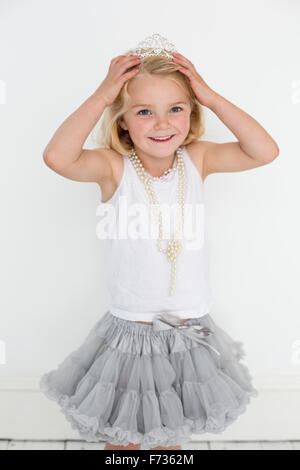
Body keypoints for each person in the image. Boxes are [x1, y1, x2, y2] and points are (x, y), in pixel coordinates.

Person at [39, 33, 279, 450]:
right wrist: (101, 95)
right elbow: (57, 158)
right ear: (123, 121)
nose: (163, 122)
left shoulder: (198, 158)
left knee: (171, 439)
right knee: (126, 440)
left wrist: (210, 95)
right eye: (145, 111)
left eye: (176, 109)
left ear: (191, 112)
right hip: (132, 333)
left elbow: (264, 151)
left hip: (189, 330)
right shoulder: (114, 168)